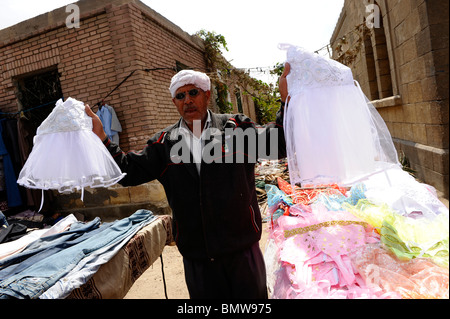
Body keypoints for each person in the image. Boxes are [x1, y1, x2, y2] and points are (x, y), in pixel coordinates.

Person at [85, 64, 290, 299]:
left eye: (193, 92)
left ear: (207, 95)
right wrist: (102, 138)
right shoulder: (164, 144)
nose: (187, 100)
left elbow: (280, 143)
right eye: (180, 96)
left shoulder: (235, 130)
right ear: (174, 102)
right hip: (199, 261)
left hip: (242, 253)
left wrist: (285, 101)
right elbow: (127, 171)